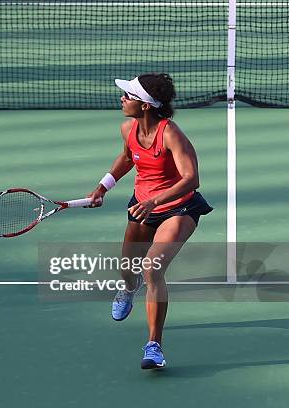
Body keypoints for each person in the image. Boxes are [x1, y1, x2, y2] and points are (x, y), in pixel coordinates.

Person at [86, 73, 213, 369]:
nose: (122, 98)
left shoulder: (171, 134)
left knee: (151, 269)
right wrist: (103, 186)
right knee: (128, 270)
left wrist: (156, 201)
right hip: (142, 206)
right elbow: (128, 157)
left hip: (178, 209)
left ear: (145, 105)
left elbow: (191, 179)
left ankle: (154, 345)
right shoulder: (127, 128)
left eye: (128, 96)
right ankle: (128, 290)